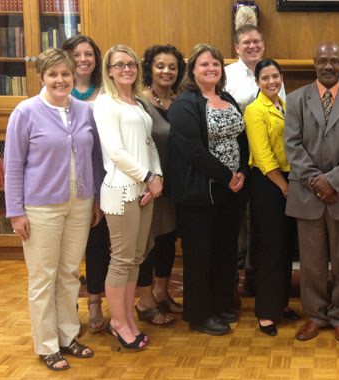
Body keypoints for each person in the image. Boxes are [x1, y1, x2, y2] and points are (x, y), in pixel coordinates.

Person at [5, 48, 102, 370]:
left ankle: (68, 336)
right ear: (42, 77)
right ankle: (47, 344)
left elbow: (94, 159)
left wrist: (96, 199)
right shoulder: (26, 111)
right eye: (53, 74)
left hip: (80, 203)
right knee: (43, 277)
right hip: (40, 207)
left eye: (65, 74)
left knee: (69, 274)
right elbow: (14, 164)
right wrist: (15, 211)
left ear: (73, 75)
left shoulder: (84, 111)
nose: (60, 80)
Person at [285, 42, 339, 345]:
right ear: (314, 62)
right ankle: (315, 316)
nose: (328, 66)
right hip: (307, 193)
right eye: (322, 60)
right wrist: (316, 182)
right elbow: (292, 146)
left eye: (335, 61)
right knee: (311, 262)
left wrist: (333, 181)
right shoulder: (295, 99)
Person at [168, 44, 249, 336]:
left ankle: (220, 304)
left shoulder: (226, 98)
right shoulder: (184, 103)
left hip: (232, 192)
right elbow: (193, 151)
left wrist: (241, 175)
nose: (211, 69)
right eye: (204, 64)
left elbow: (241, 137)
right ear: (192, 70)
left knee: (224, 252)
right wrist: (226, 176)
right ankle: (199, 315)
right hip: (200, 193)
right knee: (200, 255)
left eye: (216, 64)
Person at [93, 45, 163, 352]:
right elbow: (116, 152)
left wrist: (156, 177)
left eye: (131, 64)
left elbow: (149, 145)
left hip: (145, 190)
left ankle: (127, 319)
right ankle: (118, 322)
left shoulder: (137, 103)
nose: (126, 69)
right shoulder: (105, 103)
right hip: (121, 189)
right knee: (121, 259)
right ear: (108, 70)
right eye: (119, 64)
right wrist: (147, 177)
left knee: (136, 257)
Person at [224, 24, 285, 300]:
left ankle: (254, 279)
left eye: (256, 42)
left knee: (259, 224)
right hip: (234, 158)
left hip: (265, 163)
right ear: (237, 47)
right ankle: (231, 286)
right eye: (246, 42)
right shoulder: (226, 76)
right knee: (236, 223)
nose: (252, 46)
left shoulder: (271, 76)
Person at [244, 59, 300, 337]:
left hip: (288, 181)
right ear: (257, 82)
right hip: (269, 183)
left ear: (281, 78)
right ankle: (266, 312)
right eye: (264, 78)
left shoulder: (285, 105)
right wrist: (285, 187)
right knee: (270, 248)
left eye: (275, 76)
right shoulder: (255, 110)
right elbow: (263, 156)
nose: (271, 82)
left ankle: (281, 303)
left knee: (286, 246)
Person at [134, 44, 186, 326]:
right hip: (149, 186)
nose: (166, 71)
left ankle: (162, 293)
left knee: (167, 240)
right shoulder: (140, 103)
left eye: (172, 67)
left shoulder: (180, 101)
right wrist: (148, 179)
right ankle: (145, 301)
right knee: (148, 243)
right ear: (150, 70)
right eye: (160, 66)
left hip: (174, 186)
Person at [61, 34, 110, 334]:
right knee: (65, 252)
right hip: (62, 181)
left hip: (98, 177)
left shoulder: (106, 92)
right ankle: (65, 310)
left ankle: (94, 302)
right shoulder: (57, 90)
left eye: (89, 54)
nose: (83, 59)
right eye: (76, 54)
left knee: (96, 245)